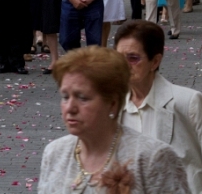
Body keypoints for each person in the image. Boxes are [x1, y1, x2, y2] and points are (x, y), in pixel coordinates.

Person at [38, 45, 191, 194]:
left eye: (83, 98)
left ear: (112, 103)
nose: (70, 108)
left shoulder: (152, 158)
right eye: (65, 97)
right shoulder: (54, 153)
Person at [116, 20, 202, 194]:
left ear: (155, 61)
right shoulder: (114, 106)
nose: (123, 65)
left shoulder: (187, 102)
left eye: (133, 58)